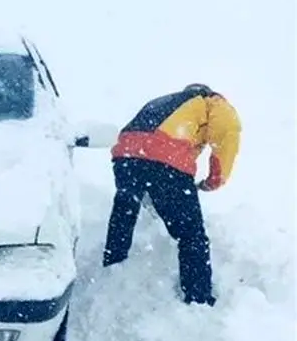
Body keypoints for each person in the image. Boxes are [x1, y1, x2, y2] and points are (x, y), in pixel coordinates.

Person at [100, 83, 242, 306]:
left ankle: (111, 268)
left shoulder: (167, 102)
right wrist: (212, 181)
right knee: (191, 235)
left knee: (125, 210)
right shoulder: (214, 103)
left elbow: (151, 138)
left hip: (125, 155)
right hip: (163, 162)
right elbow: (227, 137)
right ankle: (199, 300)